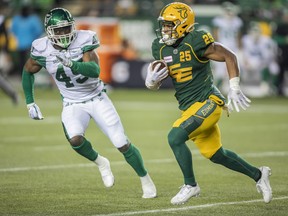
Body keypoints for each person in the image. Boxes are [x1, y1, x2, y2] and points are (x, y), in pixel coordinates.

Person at [21, 7, 156, 199]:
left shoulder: (84, 39)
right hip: (71, 102)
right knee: (75, 139)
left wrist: (71, 64)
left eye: (67, 28)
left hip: (97, 97)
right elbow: (28, 71)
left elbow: (94, 70)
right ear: (50, 32)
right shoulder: (41, 47)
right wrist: (30, 102)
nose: (64, 33)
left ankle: (145, 179)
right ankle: (101, 162)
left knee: (121, 142)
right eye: (58, 30)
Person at [145, 2, 272, 205]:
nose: (165, 29)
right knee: (216, 154)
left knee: (175, 137)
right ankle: (259, 174)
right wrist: (151, 82)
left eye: (170, 25)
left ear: (183, 24)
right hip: (189, 108)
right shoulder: (159, 47)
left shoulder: (196, 41)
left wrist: (234, 86)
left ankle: (191, 185)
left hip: (209, 102)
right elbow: (159, 78)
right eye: (164, 25)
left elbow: (229, 56)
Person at [211, 1, 243, 93]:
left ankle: (235, 88)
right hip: (222, 46)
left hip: (233, 47)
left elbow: (238, 36)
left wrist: (240, 47)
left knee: (236, 67)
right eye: (227, 11)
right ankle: (217, 89)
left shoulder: (237, 21)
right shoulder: (218, 20)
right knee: (220, 70)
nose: (229, 13)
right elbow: (215, 34)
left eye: (230, 11)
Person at [11, 5, 43, 76]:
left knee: (24, 61)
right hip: (28, 45)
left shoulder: (18, 19)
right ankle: (26, 75)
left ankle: (23, 75)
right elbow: (39, 31)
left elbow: (13, 30)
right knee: (29, 62)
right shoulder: (33, 19)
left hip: (24, 44)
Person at [0, 8, 19, 105]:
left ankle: (12, 94)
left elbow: (6, 38)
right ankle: (12, 94)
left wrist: (6, 52)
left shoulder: (2, 20)